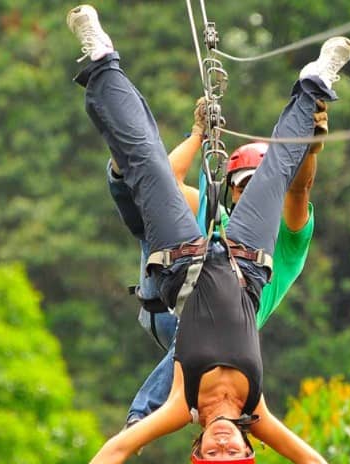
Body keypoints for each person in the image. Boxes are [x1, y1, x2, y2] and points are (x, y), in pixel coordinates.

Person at [33, 6, 350, 464]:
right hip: (246, 257)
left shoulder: (181, 403)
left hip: (181, 255)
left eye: (216, 453)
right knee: (277, 170)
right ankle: (316, 83)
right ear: (249, 447)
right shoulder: (259, 410)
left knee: (141, 163)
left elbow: (120, 447)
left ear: (200, 447)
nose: (226, 444)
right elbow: (312, 463)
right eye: (236, 454)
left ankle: (101, 59)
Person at [116, 108, 328, 426]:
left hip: (217, 331)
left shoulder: (287, 238)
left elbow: (299, 189)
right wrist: (198, 133)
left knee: (201, 321)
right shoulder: (219, 218)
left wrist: (308, 146)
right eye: (243, 188)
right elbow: (165, 185)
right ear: (231, 190)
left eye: (259, 188)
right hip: (166, 300)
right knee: (150, 214)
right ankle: (118, 171)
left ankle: (143, 414)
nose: (249, 198)